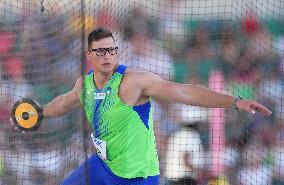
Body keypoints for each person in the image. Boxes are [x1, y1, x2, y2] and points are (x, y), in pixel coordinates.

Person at [12, 27, 272, 185]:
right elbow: (65, 102)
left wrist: (235, 101)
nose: (107, 56)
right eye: (100, 51)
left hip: (138, 177)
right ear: (89, 55)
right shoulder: (85, 85)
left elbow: (183, 92)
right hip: (103, 168)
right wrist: (41, 112)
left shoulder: (133, 82)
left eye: (111, 50)